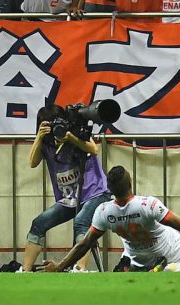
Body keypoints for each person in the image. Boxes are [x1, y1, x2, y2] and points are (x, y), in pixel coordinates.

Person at [38, 165, 180, 273]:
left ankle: (147, 268)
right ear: (131, 183)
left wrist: (60, 266)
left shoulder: (104, 211)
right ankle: (163, 269)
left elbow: (84, 244)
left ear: (110, 189)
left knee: (143, 268)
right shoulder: (148, 205)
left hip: (139, 257)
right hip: (171, 249)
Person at [20, 104, 111, 272]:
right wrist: (39, 137)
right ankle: (25, 271)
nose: (55, 129)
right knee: (39, 223)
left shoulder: (75, 131)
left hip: (96, 192)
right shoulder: (46, 145)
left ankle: (79, 268)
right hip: (69, 199)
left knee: (81, 222)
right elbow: (32, 162)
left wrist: (70, 137)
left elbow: (94, 149)